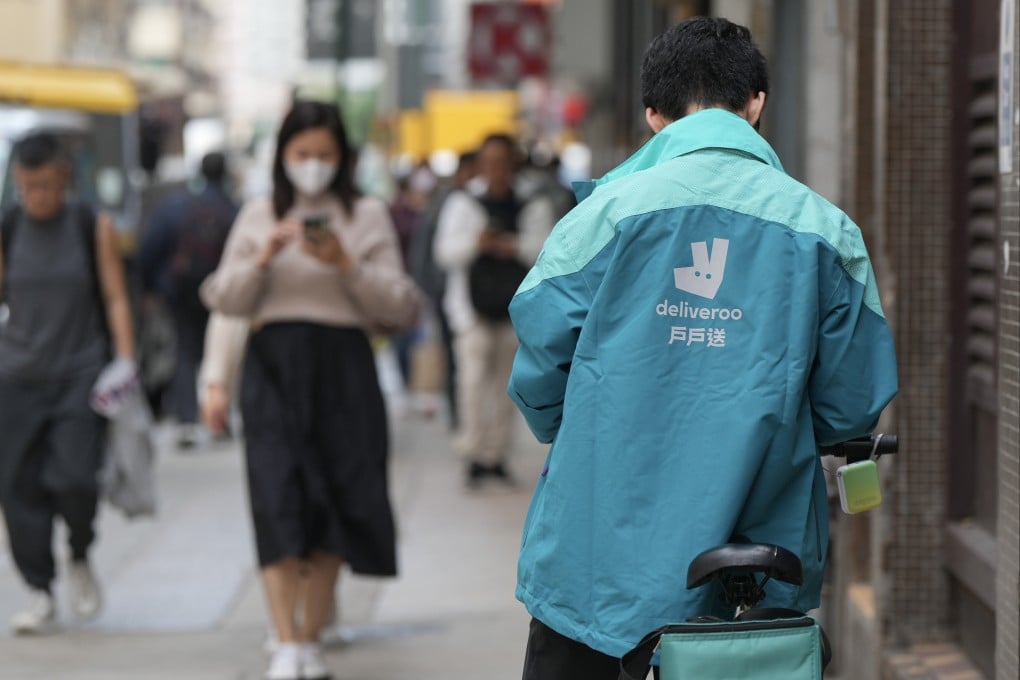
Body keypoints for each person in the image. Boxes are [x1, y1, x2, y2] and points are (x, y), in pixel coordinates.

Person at [506, 17, 899, 679]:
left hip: (598, 567)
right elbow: (852, 408)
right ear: (756, 105)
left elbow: (540, 374)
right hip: (753, 569)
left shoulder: (602, 217)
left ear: (654, 115)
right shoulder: (828, 232)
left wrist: (572, 425)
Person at [200, 100, 420, 680]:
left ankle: (311, 635)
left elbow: (401, 305)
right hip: (273, 368)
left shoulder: (367, 214)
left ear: (343, 156)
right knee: (276, 494)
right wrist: (265, 256)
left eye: (325, 154)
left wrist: (345, 263)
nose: (314, 166)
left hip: (343, 368)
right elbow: (223, 298)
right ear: (282, 157)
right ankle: (286, 639)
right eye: (302, 155)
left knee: (336, 498)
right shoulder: (258, 214)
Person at [0, 132, 135, 634]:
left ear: (63, 177)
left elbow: (116, 296)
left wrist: (125, 360)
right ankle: (39, 588)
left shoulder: (88, 225)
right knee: (18, 489)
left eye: (46, 183)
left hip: (80, 374)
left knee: (75, 479)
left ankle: (79, 551)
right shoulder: (8, 228)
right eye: (27, 185)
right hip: (16, 376)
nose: (37, 194)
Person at [433, 135, 554, 487]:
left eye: (503, 161)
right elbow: (445, 253)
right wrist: (477, 242)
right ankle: (473, 450)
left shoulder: (531, 202)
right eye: (490, 161)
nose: (497, 169)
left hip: (514, 310)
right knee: (471, 382)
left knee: (507, 387)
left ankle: (496, 454)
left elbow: (546, 251)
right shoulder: (464, 202)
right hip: (472, 310)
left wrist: (511, 245)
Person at [139, 151, 239, 448]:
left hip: (180, 291)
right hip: (220, 293)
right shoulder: (233, 209)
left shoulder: (177, 206)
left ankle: (186, 420)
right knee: (220, 350)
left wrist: (149, 288)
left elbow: (150, 248)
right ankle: (220, 414)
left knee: (183, 350)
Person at [411, 150, 479, 429]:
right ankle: (457, 413)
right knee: (453, 357)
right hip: (444, 293)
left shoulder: (483, 202)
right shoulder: (443, 203)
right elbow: (426, 248)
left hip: (481, 298)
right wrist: (427, 286)